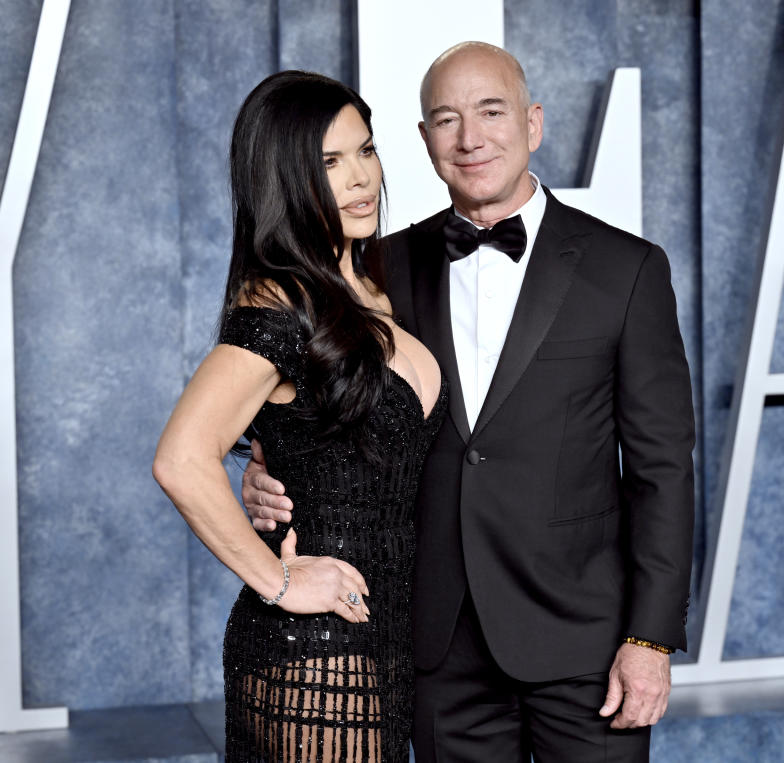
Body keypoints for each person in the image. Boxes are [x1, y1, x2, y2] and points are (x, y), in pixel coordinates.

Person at [246, 42, 695, 762]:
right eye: (446, 119)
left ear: (534, 122)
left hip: (585, 642)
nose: (470, 137)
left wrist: (650, 637)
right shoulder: (377, 267)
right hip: (433, 639)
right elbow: (311, 391)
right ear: (425, 142)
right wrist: (263, 466)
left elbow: (662, 468)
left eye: (491, 112)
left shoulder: (628, 268)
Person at [153, 70, 446, 762]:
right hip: (315, 656)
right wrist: (279, 580)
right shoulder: (279, 303)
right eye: (329, 163)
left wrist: (264, 465)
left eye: (366, 151)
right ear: (285, 181)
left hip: (382, 643)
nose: (361, 179)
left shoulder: (371, 284)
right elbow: (181, 457)